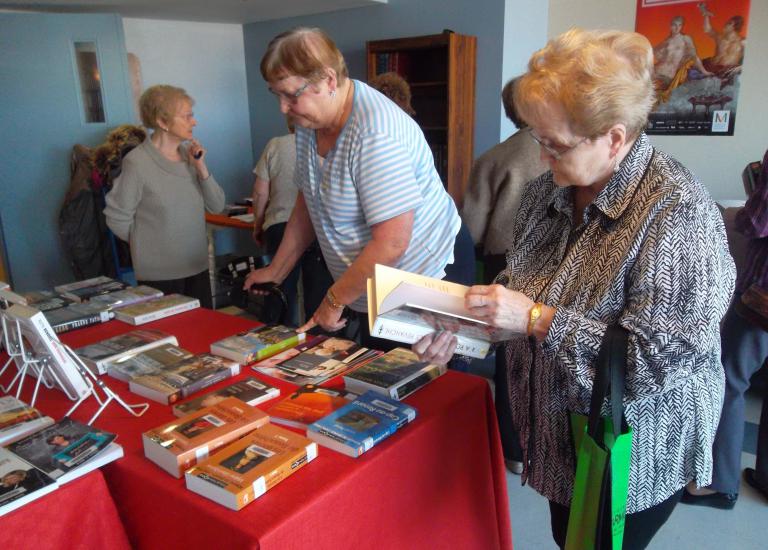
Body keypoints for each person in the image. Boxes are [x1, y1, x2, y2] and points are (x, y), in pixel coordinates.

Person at [414, 28, 735, 549]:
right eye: (538, 139)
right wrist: (469, 322)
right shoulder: (551, 191)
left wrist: (536, 319)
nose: (542, 157)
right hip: (559, 437)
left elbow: (658, 359)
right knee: (571, 539)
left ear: (613, 137)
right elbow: (520, 283)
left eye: (555, 144)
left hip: (630, 452)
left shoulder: (677, 212)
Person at [243, 27, 469, 348]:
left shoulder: (375, 132)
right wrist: (278, 269)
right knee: (376, 375)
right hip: (376, 277)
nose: (283, 107)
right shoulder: (313, 121)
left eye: (291, 94)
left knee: (410, 377)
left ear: (329, 80)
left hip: (423, 273)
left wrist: (334, 300)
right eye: (276, 94)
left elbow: (392, 243)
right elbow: (309, 199)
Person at [461, 76, 547, 474]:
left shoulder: (496, 157)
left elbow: (472, 227)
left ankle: (512, 450)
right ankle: (545, 446)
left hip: (506, 264)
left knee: (509, 360)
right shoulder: (569, 153)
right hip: (559, 264)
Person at [682, 149, 768, 509]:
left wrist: (736, 211)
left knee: (728, 379)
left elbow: (757, 224)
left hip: (762, 297)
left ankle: (719, 483)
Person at [105, 84, 225, 309]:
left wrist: (200, 167)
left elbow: (217, 206)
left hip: (197, 267)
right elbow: (116, 217)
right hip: (159, 277)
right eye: (187, 116)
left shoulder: (190, 157)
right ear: (162, 122)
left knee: (201, 337)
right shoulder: (137, 162)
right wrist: (146, 246)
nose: (194, 122)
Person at [251, 116, 303, 326]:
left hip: (280, 223)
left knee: (280, 287)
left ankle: (277, 336)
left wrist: (258, 223)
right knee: (316, 291)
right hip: (317, 231)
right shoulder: (323, 145)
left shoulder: (275, 145)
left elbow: (260, 192)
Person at [652, 15, 712, 103]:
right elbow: (652, 51)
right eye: (674, 25)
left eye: (679, 25)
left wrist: (704, 71)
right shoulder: (666, 41)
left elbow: (694, 56)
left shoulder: (685, 39)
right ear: (670, 26)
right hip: (656, 72)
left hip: (668, 76)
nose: (677, 28)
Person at [698, 3, 746, 84]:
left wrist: (740, 68)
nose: (724, 25)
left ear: (732, 25)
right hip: (712, 68)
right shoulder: (720, 38)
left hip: (727, 72)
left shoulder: (743, 42)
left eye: (727, 23)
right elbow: (707, 29)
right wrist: (706, 15)